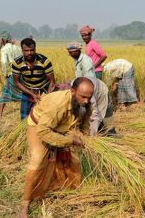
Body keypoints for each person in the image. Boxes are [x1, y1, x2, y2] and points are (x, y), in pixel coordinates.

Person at [18, 77, 94, 218]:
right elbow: (43, 131)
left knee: (73, 159)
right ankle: (25, 204)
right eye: (83, 97)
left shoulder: (86, 103)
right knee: (38, 160)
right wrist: (69, 140)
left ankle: (63, 187)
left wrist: (84, 137)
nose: (86, 101)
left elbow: (85, 123)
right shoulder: (57, 104)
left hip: (61, 128)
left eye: (89, 97)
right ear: (72, 91)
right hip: (39, 126)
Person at [12, 38, 56, 119]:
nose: (29, 53)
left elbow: (52, 81)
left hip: (44, 89)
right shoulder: (17, 63)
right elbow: (17, 82)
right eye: (26, 50)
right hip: (27, 89)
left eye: (32, 50)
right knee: (24, 116)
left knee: (46, 115)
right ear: (22, 50)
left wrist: (47, 96)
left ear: (35, 49)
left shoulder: (44, 61)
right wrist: (32, 94)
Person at [0, 31, 23, 118]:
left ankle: (0, 116)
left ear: (3, 39)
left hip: (12, 74)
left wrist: (5, 73)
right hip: (22, 74)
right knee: (23, 92)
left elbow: (4, 62)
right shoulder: (18, 48)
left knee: (4, 94)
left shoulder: (4, 49)